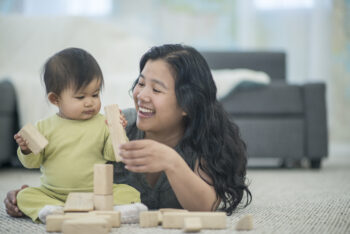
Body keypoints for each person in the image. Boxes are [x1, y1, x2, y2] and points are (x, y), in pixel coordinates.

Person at [5, 44, 251, 218]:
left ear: (187, 104)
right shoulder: (115, 126)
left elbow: (206, 208)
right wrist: (33, 198)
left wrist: (171, 162)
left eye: (156, 90)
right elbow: (68, 163)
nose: (141, 95)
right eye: (141, 83)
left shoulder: (204, 140)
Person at [11, 48, 144, 223]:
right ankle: (52, 211)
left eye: (95, 94)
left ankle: (115, 210)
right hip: (54, 194)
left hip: (97, 193)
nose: (90, 102)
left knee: (129, 192)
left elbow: (114, 155)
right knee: (25, 196)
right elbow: (33, 163)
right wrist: (26, 150)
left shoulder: (102, 123)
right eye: (80, 97)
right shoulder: (43, 127)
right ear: (55, 99)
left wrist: (116, 131)